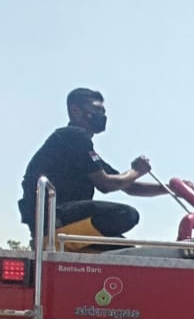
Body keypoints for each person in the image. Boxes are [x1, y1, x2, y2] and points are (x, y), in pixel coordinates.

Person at [18, 88, 169, 251]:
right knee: (126, 215)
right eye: (96, 109)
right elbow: (106, 185)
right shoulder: (73, 136)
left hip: (65, 217)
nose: (102, 115)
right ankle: (53, 238)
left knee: (126, 250)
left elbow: (128, 186)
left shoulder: (80, 147)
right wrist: (137, 170)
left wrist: (168, 189)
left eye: (103, 111)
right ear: (75, 111)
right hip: (55, 218)